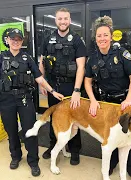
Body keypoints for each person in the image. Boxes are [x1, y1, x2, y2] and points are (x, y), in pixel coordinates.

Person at [84, 16, 131, 180]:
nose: (102, 38)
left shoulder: (122, 54)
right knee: (111, 136)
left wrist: (129, 99)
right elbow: (87, 82)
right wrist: (93, 100)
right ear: (95, 39)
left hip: (125, 101)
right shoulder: (93, 59)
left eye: (105, 35)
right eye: (99, 36)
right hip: (107, 104)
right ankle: (112, 164)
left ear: (110, 36)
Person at [0, 28, 64, 176]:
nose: (16, 42)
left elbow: (39, 78)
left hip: (25, 99)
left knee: (30, 131)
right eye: (13, 39)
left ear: (22, 42)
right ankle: (15, 157)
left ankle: (33, 161)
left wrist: (52, 91)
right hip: (6, 99)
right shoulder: (2, 57)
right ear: (7, 40)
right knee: (11, 130)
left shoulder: (27, 58)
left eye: (19, 39)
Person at [38, 7, 87, 165]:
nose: (63, 21)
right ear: (56, 20)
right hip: (53, 86)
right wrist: (42, 83)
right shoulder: (48, 39)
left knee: (74, 118)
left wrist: (77, 91)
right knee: (54, 117)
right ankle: (53, 146)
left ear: (70, 20)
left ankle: (74, 150)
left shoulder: (77, 40)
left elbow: (81, 67)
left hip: (70, 87)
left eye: (66, 18)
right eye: (60, 19)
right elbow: (42, 62)